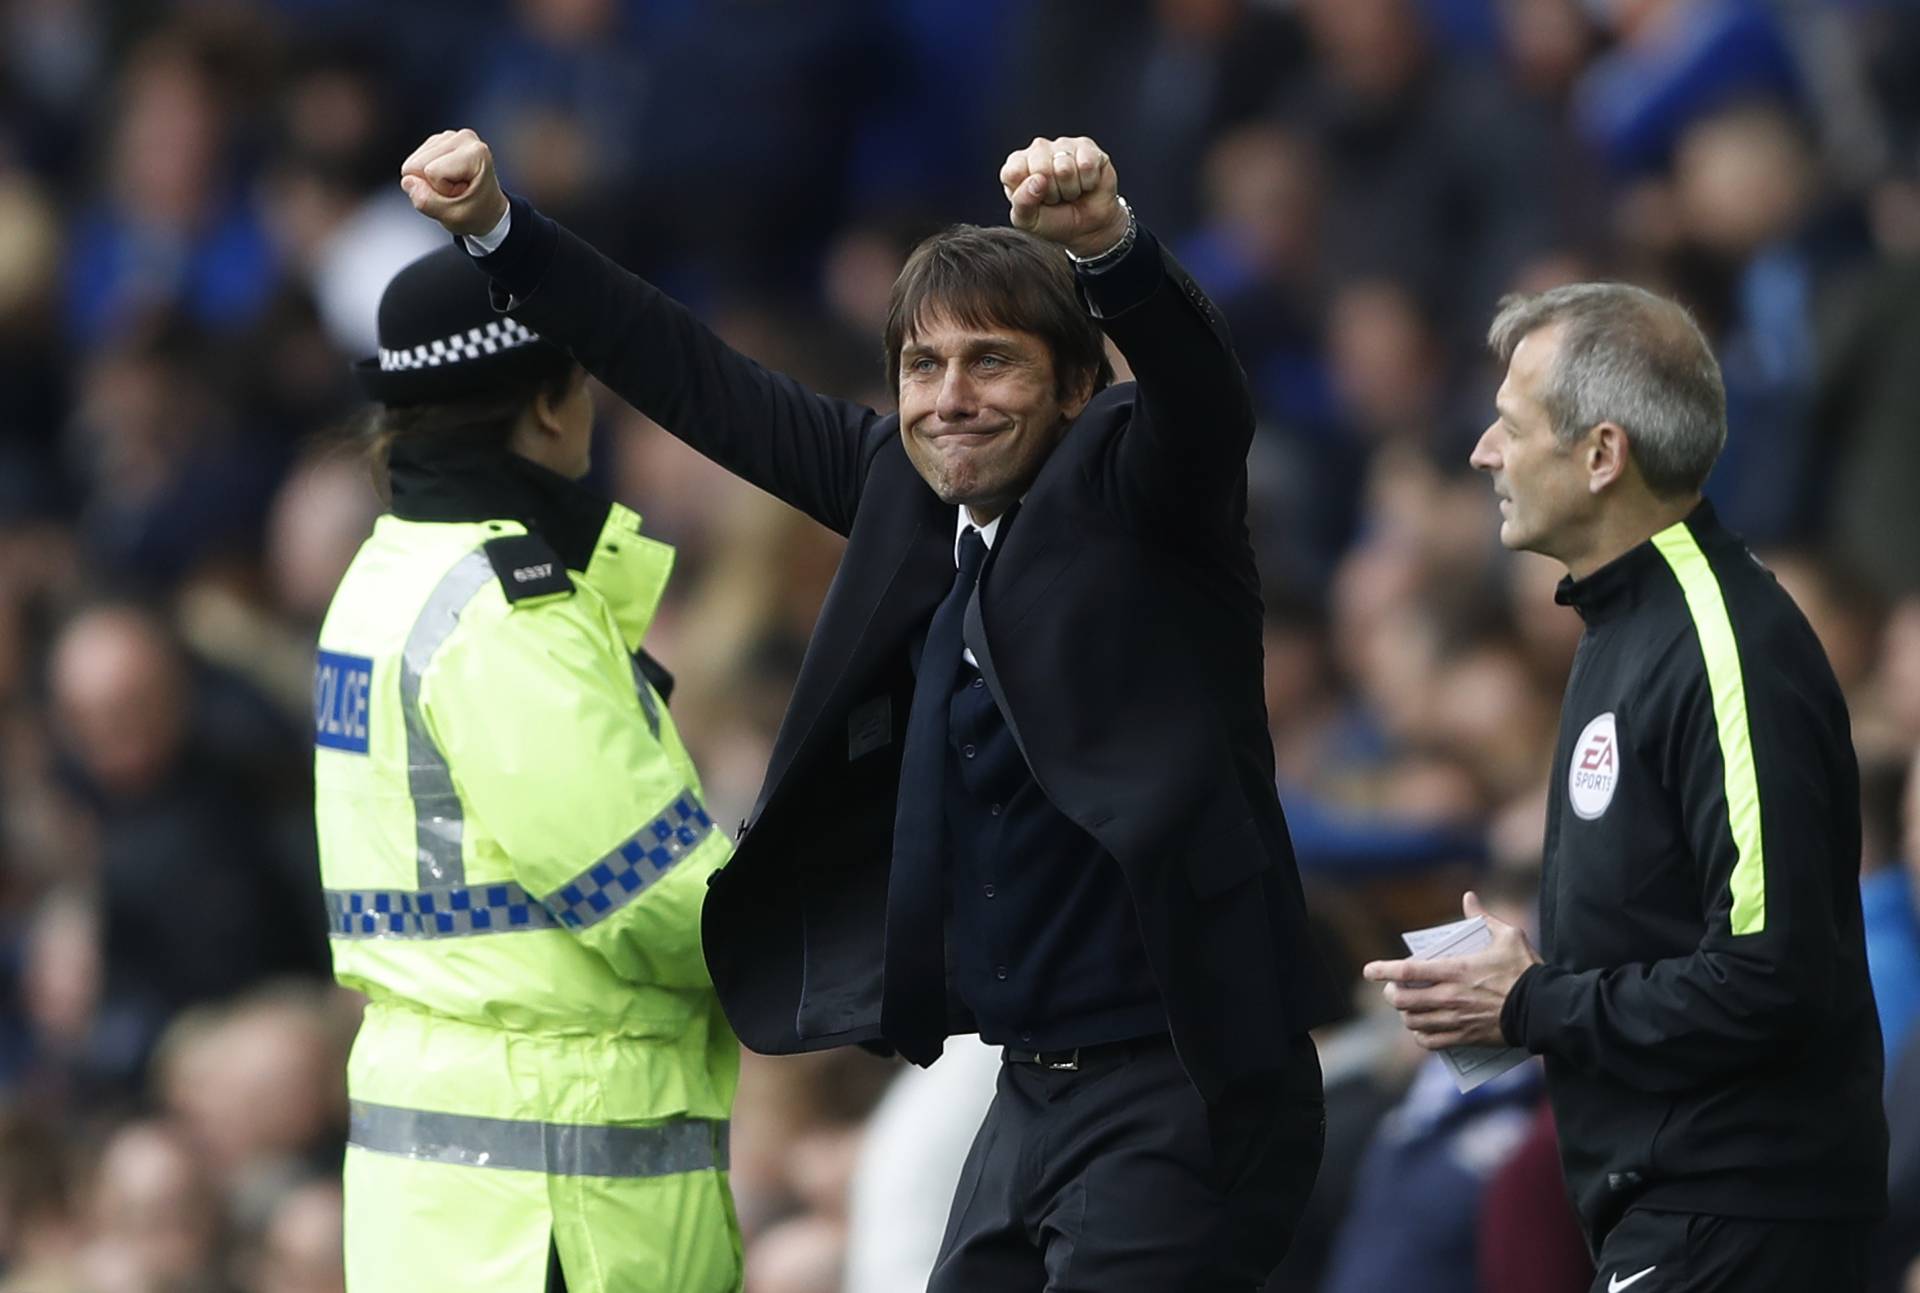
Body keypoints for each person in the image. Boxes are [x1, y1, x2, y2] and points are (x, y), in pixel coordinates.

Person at [400, 127, 1341, 1290]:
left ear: (1080, 387)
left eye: (992, 363)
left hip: (1183, 1082)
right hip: (1026, 1087)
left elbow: (1202, 398)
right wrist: (502, 228)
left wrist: (1110, 248)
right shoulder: (907, 490)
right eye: (922, 366)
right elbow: (697, 377)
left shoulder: (1146, 500)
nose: (950, 399)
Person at [1362, 282, 1887, 1291]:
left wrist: (1531, 1003)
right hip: (1675, 1212)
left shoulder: (1723, 640)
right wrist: (1520, 985)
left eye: (1510, 427)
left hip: (1738, 1218)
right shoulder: (1627, 628)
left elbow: (1771, 975)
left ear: (1602, 456)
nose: (1482, 453)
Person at [314, 246, 740, 1292]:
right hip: (561, 1209)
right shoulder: (505, 613)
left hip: (442, 1215)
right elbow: (649, 897)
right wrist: (845, 937)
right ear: (552, 406)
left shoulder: (383, 575)